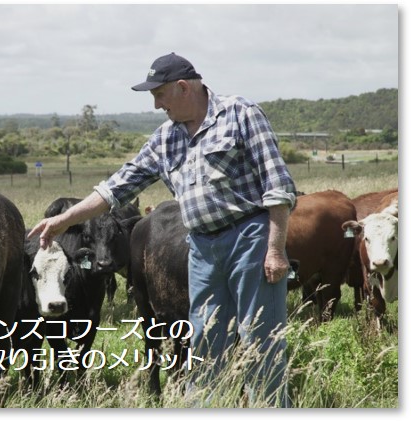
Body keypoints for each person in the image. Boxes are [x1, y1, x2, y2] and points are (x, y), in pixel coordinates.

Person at [28, 52, 297, 407]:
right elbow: (116, 188)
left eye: (160, 95)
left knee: (259, 336)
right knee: (203, 338)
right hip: (200, 245)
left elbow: (278, 186)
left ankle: (271, 407)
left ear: (183, 87)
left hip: (249, 239)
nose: (156, 105)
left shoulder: (241, 114)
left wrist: (275, 249)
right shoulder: (165, 138)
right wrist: (65, 220)